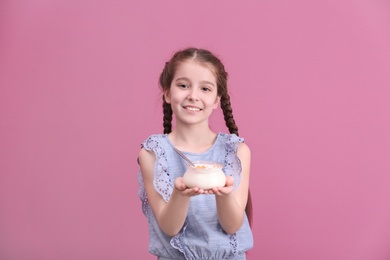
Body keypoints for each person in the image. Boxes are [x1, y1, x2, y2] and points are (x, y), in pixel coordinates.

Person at [138, 47, 253, 260]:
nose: (193, 96)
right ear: (167, 93)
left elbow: (232, 225)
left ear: (217, 100)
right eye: (183, 85)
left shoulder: (236, 150)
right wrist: (180, 195)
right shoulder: (154, 153)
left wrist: (225, 196)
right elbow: (170, 227)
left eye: (205, 89)